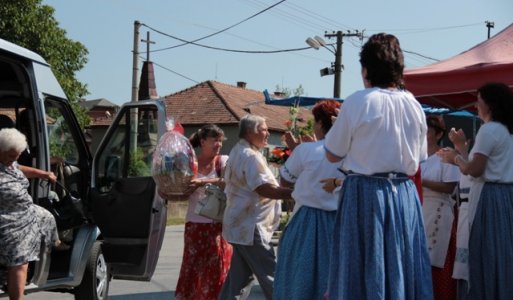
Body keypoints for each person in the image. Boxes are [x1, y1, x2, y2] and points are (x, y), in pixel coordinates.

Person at [323, 33, 433, 299]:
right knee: (403, 264)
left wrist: (342, 127)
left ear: (366, 69)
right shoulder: (414, 104)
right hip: (404, 195)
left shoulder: (358, 101)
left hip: (366, 194)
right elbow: (418, 159)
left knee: (361, 268)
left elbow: (332, 155)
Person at [438, 82, 513, 299]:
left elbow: (475, 169)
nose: (476, 105)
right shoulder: (507, 132)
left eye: (479, 100)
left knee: (486, 253)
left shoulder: (489, 130)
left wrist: (455, 158)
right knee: (503, 254)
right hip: (507, 197)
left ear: (489, 104)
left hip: (490, 198)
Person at [273, 100, 342, 300]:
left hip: (306, 220)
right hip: (339, 220)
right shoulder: (352, 153)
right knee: (332, 276)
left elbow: (285, 180)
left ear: (320, 124)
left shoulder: (307, 150)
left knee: (298, 275)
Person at [219, 114, 293, 300]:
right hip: (250, 226)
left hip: (242, 225)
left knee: (239, 280)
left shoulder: (240, 150)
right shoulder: (249, 155)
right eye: (264, 129)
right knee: (272, 276)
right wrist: (294, 193)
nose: (268, 133)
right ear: (251, 131)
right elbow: (264, 188)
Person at [0, 128, 60, 300]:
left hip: (26, 213)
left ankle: (55, 241)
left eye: (18, 154)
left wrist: (44, 174)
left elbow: (21, 169)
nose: (15, 158)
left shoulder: (10, 163)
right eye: (12, 155)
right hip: (8, 221)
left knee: (48, 216)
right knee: (20, 262)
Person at [174, 124, 233, 300]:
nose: (218, 144)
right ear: (203, 141)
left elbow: (229, 182)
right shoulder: (190, 165)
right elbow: (181, 194)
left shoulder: (223, 162)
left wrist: (202, 183)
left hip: (218, 226)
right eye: (215, 140)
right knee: (193, 270)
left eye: (220, 141)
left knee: (217, 271)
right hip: (194, 226)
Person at [421, 115, 460, 300]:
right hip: (418, 210)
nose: (424, 135)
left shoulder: (445, 155)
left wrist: (423, 182)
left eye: (428, 131)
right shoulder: (416, 156)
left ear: (438, 135)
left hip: (437, 210)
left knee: (437, 263)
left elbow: (449, 187)